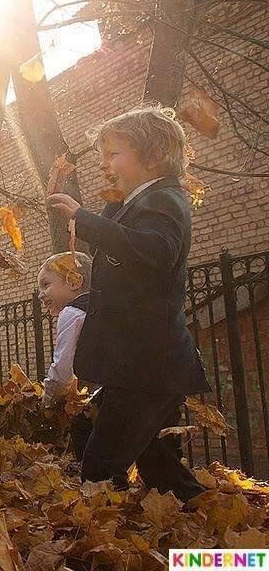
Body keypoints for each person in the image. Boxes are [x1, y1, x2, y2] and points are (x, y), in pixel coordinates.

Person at [48, 106, 209, 503]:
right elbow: (122, 240)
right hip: (141, 364)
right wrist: (100, 212)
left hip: (149, 364)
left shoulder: (166, 199)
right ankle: (215, 542)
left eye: (114, 154)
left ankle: (105, 548)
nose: (105, 164)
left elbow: (158, 251)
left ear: (153, 155)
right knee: (159, 468)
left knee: (100, 467)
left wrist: (87, 220)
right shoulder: (133, 201)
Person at [36, 251, 91, 407]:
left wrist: (48, 401)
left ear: (74, 281)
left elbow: (62, 371)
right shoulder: (99, 307)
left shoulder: (72, 313)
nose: (40, 295)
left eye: (46, 284)